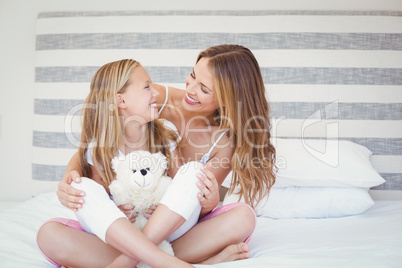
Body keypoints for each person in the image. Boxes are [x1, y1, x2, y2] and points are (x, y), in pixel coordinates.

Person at [43, 44, 276, 266]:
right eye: (193, 75)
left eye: (204, 89)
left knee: (242, 217)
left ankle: (127, 261)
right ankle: (170, 260)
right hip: (128, 226)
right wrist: (70, 176)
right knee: (49, 234)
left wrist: (211, 202)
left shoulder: (224, 141)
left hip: (174, 224)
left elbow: (192, 197)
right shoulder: (158, 101)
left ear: (227, 99)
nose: (190, 90)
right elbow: (94, 149)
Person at [36, 59, 192, 268]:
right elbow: (100, 201)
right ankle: (162, 260)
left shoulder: (165, 136)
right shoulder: (99, 151)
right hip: (121, 234)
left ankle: (130, 261)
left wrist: (161, 209)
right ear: (121, 101)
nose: (155, 93)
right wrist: (117, 210)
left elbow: (178, 189)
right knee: (60, 217)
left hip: (163, 231)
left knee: (193, 172)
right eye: (147, 87)